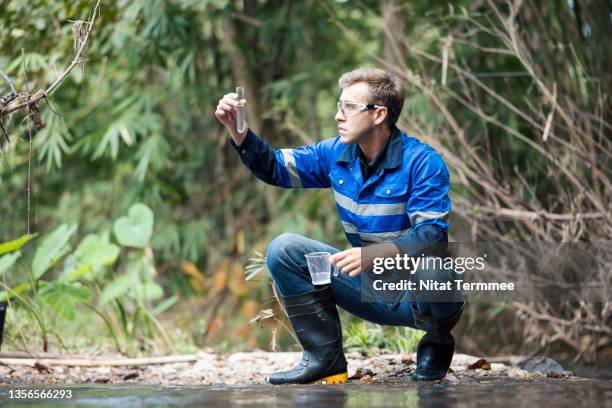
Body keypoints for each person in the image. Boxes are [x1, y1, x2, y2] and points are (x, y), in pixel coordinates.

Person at [214, 67, 464, 384]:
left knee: (436, 265)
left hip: (418, 296)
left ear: (379, 114)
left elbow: (432, 236)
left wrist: (376, 254)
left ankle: (437, 340)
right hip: (368, 287)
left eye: (348, 107)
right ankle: (325, 359)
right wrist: (240, 132)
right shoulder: (335, 154)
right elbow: (276, 167)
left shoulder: (423, 162)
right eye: (338, 105)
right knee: (285, 249)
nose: (338, 115)